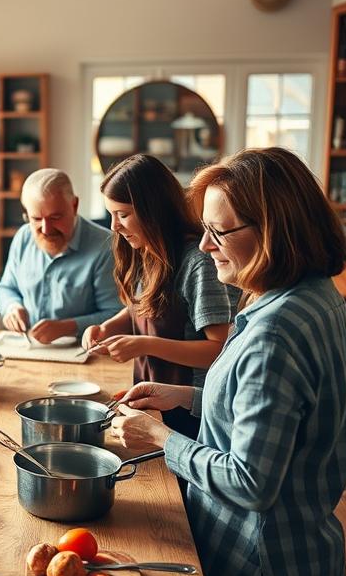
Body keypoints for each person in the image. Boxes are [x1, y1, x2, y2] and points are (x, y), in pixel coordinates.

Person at [109, 148, 346, 576]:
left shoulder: (274, 332)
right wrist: (189, 397)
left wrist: (161, 437)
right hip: (292, 544)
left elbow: (251, 481)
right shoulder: (311, 297)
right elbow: (277, 414)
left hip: (256, 562)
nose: (203, 246)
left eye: (219, 232)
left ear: (272, 230)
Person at [81, 154, 236, 435]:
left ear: (154, 210)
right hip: (154, 403)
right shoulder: (145, 251)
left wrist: (144, 345)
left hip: (194, 416)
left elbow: (219, 350)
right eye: (112, 214)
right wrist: (106, 328)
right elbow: (142, 308)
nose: (114, 226)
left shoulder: (197, 263)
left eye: (123, 214)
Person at [0, 168, 121, 343]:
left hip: (84, 351)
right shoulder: (23, 237)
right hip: (29, 347)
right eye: (36, 219)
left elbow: (117, 315)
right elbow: (7, 287)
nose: (46, 229)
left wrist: (67, 327)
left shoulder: (106, 246)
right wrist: (12, 307)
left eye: (55, 217)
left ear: (74, 205)